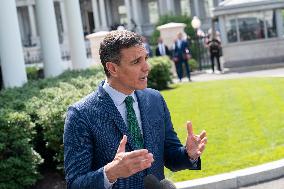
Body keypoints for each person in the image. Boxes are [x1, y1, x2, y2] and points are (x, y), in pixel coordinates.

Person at [64, 30, 207, 189]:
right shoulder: (81, 114)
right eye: (136, 62)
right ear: (112, 68)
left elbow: (171, 155)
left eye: (146, 58)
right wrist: (111, 172)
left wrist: (189, 154)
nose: (146, 67)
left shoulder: (155, 99)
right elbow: (75, 184)